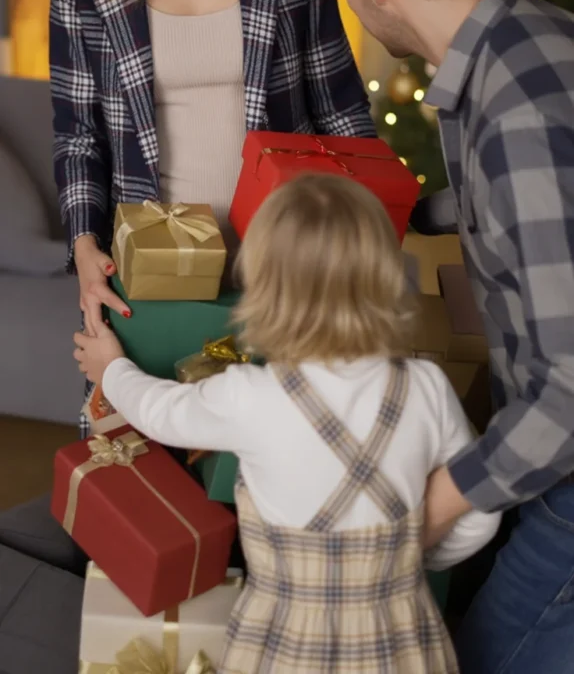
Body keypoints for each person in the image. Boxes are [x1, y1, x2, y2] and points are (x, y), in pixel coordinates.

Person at [49, 0, 375, 434]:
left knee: (277, 454)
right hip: (154, 264)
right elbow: (78, 133)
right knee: (148, 467)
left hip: (285, 258)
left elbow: (339, 101)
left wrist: (370, 229)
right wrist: (83, 246)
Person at [311, 0, 574, 674]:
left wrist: (439, 500)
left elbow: (572, 391)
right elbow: (527, 205)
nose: (352, 4)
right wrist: (403, 212)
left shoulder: (516, 118)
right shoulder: (531, 43)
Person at [73, 173, 498, 674]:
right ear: (385, 277)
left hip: (288, 645)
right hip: (403, 643)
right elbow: (481, 506)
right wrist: (414, 563)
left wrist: (112, 368)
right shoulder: (425, 386)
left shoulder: (252, 395)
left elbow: (160, 411)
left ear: (265, 287)